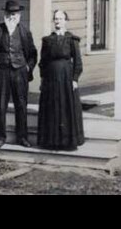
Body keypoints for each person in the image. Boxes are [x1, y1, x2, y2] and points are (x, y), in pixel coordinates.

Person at [0, 0, 38, 148]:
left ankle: (22, 138)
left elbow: (33, 54)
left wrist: (27, 68)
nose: (12, 17)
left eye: (15, 14)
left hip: (20, 72)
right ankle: (1, 137)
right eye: (9, 14)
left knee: (21, 105)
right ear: (5, 15)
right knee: (1, 105)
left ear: (19, 15)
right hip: (2, 72)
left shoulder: (25, 32)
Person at [36, 10, 85, 151]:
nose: (58, 21)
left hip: (66, 79)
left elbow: (78, 62)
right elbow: (42, 62)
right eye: (56, 19)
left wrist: (74, 79)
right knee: (51, 108)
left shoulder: (72, 40)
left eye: (61, 18)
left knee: (65, 107)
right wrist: (43, 79)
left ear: (66, 21)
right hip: (50, 80)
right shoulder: (47, 40)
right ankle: (51, 142)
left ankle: (67, 142)